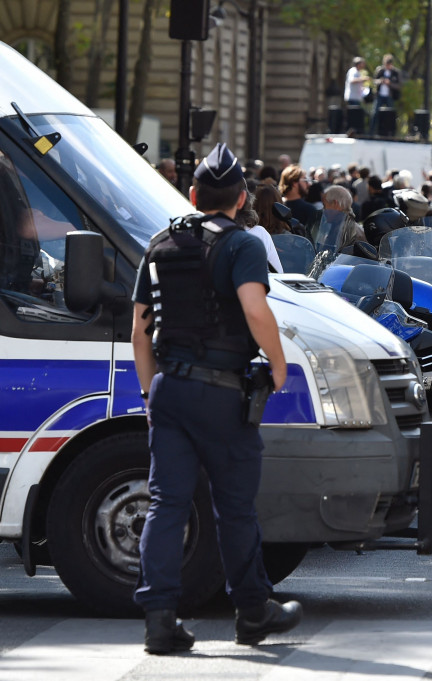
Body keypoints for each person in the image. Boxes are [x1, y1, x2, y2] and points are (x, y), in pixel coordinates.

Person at [130, 143, 301, 655]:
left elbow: (140, 330)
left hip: (169, 390)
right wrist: (278, 361)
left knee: (166, 504)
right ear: (241, 197)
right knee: (234, 508)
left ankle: (160, 620)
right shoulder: (244, 244)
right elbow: (254, 307)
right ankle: (252, 612)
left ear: (192, 195)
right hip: (222, 393)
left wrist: (149, 392)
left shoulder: (160, 243)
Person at [317, 185, 365, 253]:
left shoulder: (348, 231)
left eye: (324, 205)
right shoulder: (340, 226)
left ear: (335, 204)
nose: (323, 210)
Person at [278, 165, 317, 232]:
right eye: (305, 180)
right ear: (294, 183)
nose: (309, 184)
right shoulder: (309, 209)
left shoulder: (277, 206)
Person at [371, 55, 401, 135]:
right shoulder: (380, 70)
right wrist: (380, 81)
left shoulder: (395, 72)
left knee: (390, 114)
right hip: (379, 95)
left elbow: (398, 86)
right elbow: (374, 81)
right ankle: (372, 132)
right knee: (375, 113)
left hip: (389, 96)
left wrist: (389, 83)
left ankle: (391, 133)